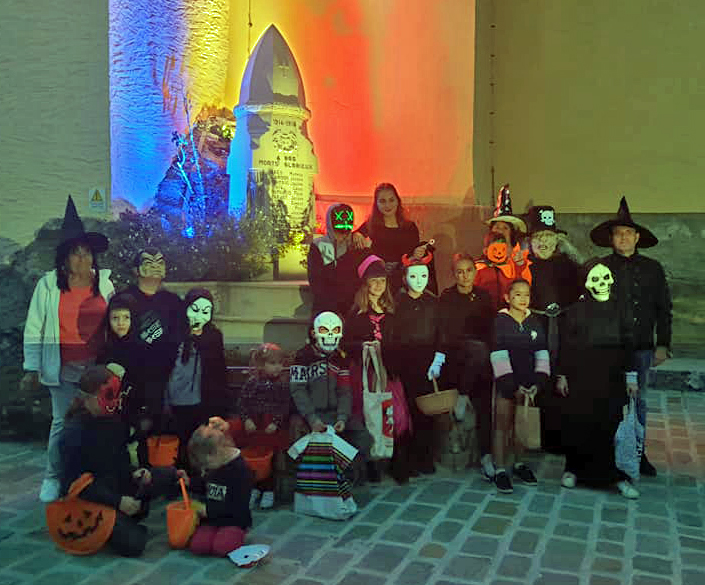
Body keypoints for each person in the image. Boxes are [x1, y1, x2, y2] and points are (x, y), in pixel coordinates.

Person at [22, 195, 114, 502]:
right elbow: (34, 326)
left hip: (97, 367)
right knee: (62, 423)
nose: (82, 260)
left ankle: (93, 477)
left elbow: (116, 321)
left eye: (87, 253)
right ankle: (53, 476)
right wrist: (31, 367)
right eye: (76, 254)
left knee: (98, 423)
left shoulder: (105, 285)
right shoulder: (48, 286)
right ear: (64, 259)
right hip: (63, 368)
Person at [59, 365, 183, 556]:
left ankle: (122, 518)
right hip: (89, 499)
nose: (115, 401)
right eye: (109, 395)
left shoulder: (114, 422)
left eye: (117, 395)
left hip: (112, 485)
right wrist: (118, 502)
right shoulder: (73, 433)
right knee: (134, 544)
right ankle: (118, 521)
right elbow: (73, 485)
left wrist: (135, 472)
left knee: (169, 475)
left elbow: (119, 461)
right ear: (87, 398)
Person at [590, 196, 672, 477]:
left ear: (637, 237)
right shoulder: (600, 268)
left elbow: (664, 308)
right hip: (610, 346)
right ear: (611, 239)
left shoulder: (653, 268)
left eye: (628, 233)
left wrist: (663, 344)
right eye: (618, 233)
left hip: (641, 346)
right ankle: (608, 451)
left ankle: (638, 451)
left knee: (639, 401)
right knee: (608, 398)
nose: (623, 238)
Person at [555, 259, 640, 499]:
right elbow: (566, 345)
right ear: (586, 283)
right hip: (582, 374)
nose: (602, 283)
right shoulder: (575, 311)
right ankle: (573, 469)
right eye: (595, 279)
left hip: (611, 375)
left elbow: (629, 342)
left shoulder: (622, 308)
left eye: (605, 277)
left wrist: (631, 375)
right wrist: (562, 374)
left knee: (609, 423)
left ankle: (615, 476)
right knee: (579, 422)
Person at [524, 206, 582, 453]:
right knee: (538, 376)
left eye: (548, 236)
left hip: (564, 329)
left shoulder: (569, 265)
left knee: (562, 378)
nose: (544, 242)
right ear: (530, 241)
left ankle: (562, 436)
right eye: (538, 237)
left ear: (557, 239)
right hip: (535, 328)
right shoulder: (525, 266)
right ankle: (537, 435)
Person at [290, 311, 373, 473]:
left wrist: (342, 417)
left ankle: (347, 475)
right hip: (312, 414)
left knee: (364, 438)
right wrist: (312, 419)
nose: (330, 335)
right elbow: (298, 391)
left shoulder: (340, 358)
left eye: (335, 330)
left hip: (336, 413)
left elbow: (344, 391)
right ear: (313, 333)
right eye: (324, 330)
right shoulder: (302, 357)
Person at [438, 253, 496, 481]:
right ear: (454, 274)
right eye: (459, 272)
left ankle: (486, 456)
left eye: (469, 270)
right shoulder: (447, 297)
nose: (465, 276)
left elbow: (490, 329)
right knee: (477, 349)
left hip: (480, 362)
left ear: (475, 271)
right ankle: (461, 396)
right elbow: (444, 331)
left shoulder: (483, 296)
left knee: (484, 404)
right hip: (456, 355)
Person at [384, 257, 442, 480]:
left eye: (424, 276)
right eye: (414, 276)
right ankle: (403, 461)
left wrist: (438, 359)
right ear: (404, 278)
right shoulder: (396, 303)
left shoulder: (433, 302)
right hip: (404, 364)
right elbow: (390, 336)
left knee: (425, 412)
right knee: (403, 413)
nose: (419, 281)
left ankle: (424, 457)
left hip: (427, 364)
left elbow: (441, 332)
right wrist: (392, 365)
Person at [489, 279, 548, 494]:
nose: (523, 299)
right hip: (507, 382)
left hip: (528, 383)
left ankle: (519, 463)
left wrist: (538, 382)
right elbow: (497, 353)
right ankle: (500, 469)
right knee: (502, 425)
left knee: (521, 423)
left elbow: (542, 351)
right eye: (517, 294)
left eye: (526, 295)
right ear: (507, 297)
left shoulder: (535, 322)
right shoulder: (500, 322)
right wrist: (511, 386)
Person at [343, 255, 396, 483]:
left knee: (388, 414)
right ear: (365, 283)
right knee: (368, 414)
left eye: (382, 281)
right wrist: (363, 346)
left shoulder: (391, 310)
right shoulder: (357, 313)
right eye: (374, 281)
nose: (378, 285)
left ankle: (387, 457)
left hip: (386, 371)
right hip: (365, 372)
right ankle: (370, 462)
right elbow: (346, 343)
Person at [123, 247, 185, 438]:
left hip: (166, 374)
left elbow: (180, 333)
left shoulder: (173, 301)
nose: (156, 267)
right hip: (134, 375)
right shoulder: (125, 300)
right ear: (136, 270)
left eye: (160, 262)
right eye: (149, 263)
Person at [165, 288, 227, 468]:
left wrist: (220, 405)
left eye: (206, 312)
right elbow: (164, 368)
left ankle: (198, 475)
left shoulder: (213, 336)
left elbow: (219, 371)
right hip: (177, 399)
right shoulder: (175, 335)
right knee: (180, 444)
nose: (200, 316)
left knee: (200, 445)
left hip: (203, 401)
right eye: (195, 309)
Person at [229, 343, 291, 509]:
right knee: (254, 458)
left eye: (280, 363)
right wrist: (246, 419)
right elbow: (242, 402)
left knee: (269, 459)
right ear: (262, 365)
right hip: (255, 425)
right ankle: (255, 488)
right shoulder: (253, 382)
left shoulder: (282, 384)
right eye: (273, 363)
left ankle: (269, 490)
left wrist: (276, 422)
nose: (277, 367)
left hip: (271, 426)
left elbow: (284, 406)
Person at [352, 183, 434, 294]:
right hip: (379, 279)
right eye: (382, 201)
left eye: (391, 200)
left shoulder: (410, 227)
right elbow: (354, 236)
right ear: (376, 204)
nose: (387, 205)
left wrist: (417, 254)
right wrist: (356, 234)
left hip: (403, 279)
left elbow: (413, 256)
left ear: (397, 201)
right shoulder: (371, 225)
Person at [187, 423, 252, 556]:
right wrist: (189, 482)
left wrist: (208, 510)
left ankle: (239, 533)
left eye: (206, 463)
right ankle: (216, 532)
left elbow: (239, 505)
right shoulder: (214, 464)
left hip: (233, 520)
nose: (205, 467)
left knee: (222, 547)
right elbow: (205, 484)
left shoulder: (240, 470)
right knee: (199, 546)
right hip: (211, 519)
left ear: (215, 453)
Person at [308, 203, 368, 316]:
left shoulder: (356, 244)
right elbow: (316, 281)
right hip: (326, 307)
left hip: (353, 306)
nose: (341, 236)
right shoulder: (320, 245)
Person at [474, 232, 532, 312]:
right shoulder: (479, 269)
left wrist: (520, 266)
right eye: (495, 249)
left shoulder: (512, 268)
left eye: (503, 249)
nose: (499, 252)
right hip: (484, 311)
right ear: (486, 251)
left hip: (507, 311)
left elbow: (521, 284)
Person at [485, 184, 529, 271]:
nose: (500, 230)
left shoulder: (520, 256)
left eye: (505, 228)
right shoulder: (486, 255)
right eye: (497, 227)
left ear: (511, 233)